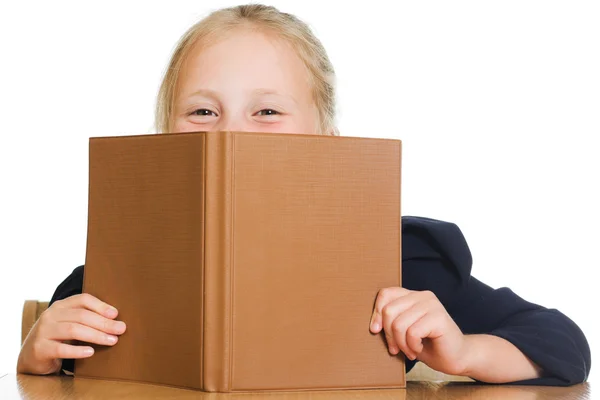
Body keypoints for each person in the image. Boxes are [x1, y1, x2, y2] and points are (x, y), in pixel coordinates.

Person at [17, 4, 590, 386]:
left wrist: (464, 353)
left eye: (266, 111)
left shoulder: (400, 261)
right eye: (201, 111)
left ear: (327, 140)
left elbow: (561, 343)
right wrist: (36, 358)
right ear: (164, 136)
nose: (231, 133)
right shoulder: (124, 273)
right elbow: (55, 356)